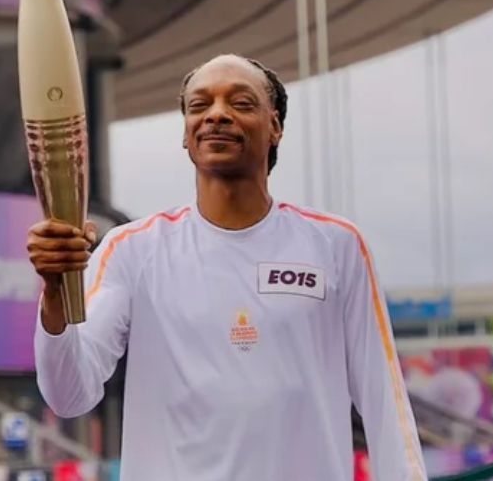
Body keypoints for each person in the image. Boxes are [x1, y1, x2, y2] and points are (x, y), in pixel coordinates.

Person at [27, 54, 427, 481]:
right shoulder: (132, 250)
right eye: (199, 105)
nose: (216, 114)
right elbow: (69, 395)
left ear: (275, 126)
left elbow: (385, 402)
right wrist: (55, 291)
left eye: (241, 103)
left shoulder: (336, 246)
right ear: (186, 134)